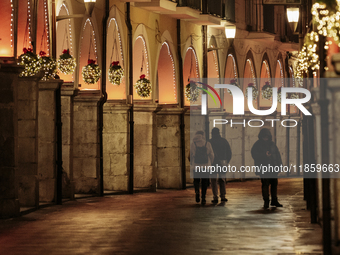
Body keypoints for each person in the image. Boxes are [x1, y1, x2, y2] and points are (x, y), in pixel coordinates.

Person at [251, 128, 283, 209]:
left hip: (273, 168)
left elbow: (277, 156)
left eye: (267, 137)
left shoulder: (272, 144)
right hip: (264, 169)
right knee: (265, 185)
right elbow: (255, 155)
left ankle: (274, 200)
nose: (266, 138)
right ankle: (266, 201)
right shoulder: (257, 145)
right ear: (261, 137)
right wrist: (264, 155)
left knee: (274, 184)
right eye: (264, 137)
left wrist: (279, 166)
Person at [189, 130, 214, 205]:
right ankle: (203, 198)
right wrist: (211, 163)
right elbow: (211, 154)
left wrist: (191, 163)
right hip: (205, 166)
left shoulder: (193, 143)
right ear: (203, 135)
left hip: (196, 166)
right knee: (204, 182)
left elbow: (191, 154)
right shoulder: (207, 143)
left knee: (196, 181)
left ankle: (197, 191)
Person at [209, 127, 232, 203]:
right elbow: (229, 152)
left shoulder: (210, 142)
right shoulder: (224, 141)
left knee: (213, 181)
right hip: (223, 162)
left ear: (212, 133)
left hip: (212, 163)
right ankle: (223, 196)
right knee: (222, 179)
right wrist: (226, 161)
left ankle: (215, 196)